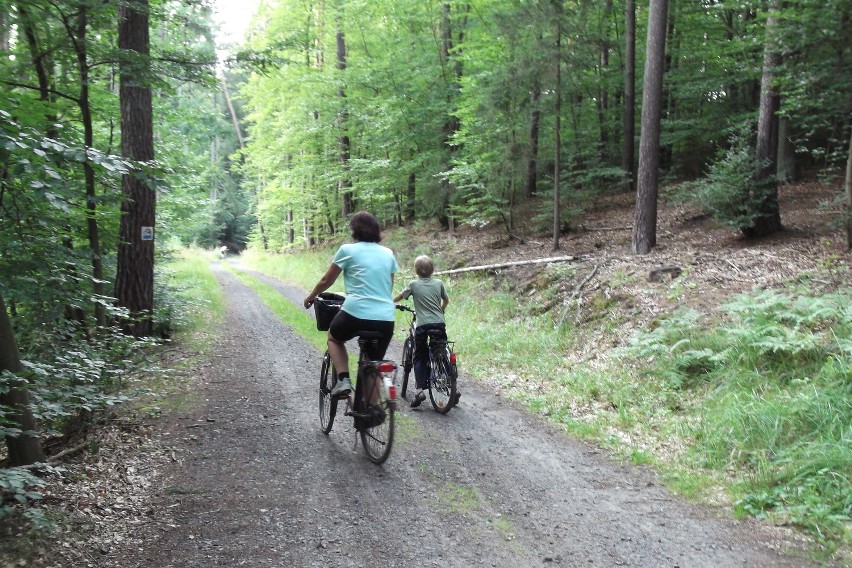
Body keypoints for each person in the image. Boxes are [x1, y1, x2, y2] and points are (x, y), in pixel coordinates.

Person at [303, 212, 399, 399]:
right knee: (373, 362)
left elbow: (326, 280)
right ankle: (372, 413)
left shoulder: (347, 250)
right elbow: (389, 284)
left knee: (334, 338)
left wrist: (311, 296)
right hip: (386, 318)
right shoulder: (388, 253)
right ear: (376, 230)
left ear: (355, 230)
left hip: (356, 312)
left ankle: (343, 380)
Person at [393, 255, 460, 407]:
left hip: (422, 325)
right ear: (432, 270)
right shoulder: (438, 283)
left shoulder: (413, 284)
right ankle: (451, 385)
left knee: (419, 356)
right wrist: (440, 312)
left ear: (416, 271)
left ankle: (418, 392)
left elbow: (401, 296)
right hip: (439, 323)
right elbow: (446, 300)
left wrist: (389, 302)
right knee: (441, 350)